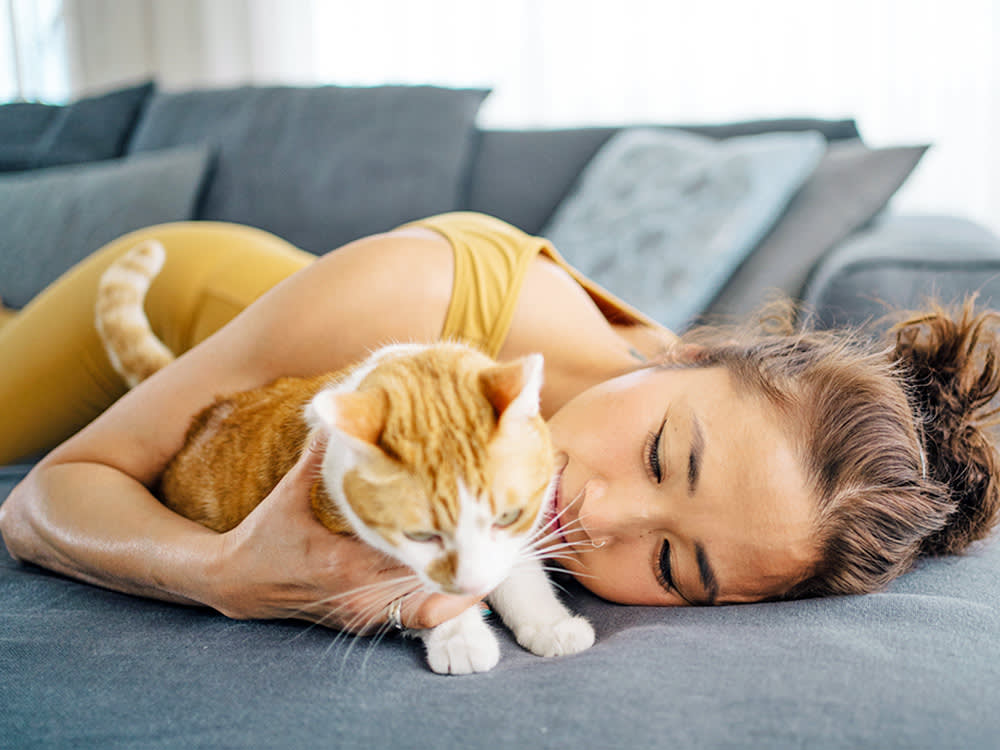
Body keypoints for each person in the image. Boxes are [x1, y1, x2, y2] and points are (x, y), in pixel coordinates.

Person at [0, 213, 997, 630]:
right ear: (688, 352)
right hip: (167, 302)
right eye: (662, 456)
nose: (599, 518)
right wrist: (223, 576)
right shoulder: (412, 294)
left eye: (671, 569)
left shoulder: (686, 437)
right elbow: (44, 498)